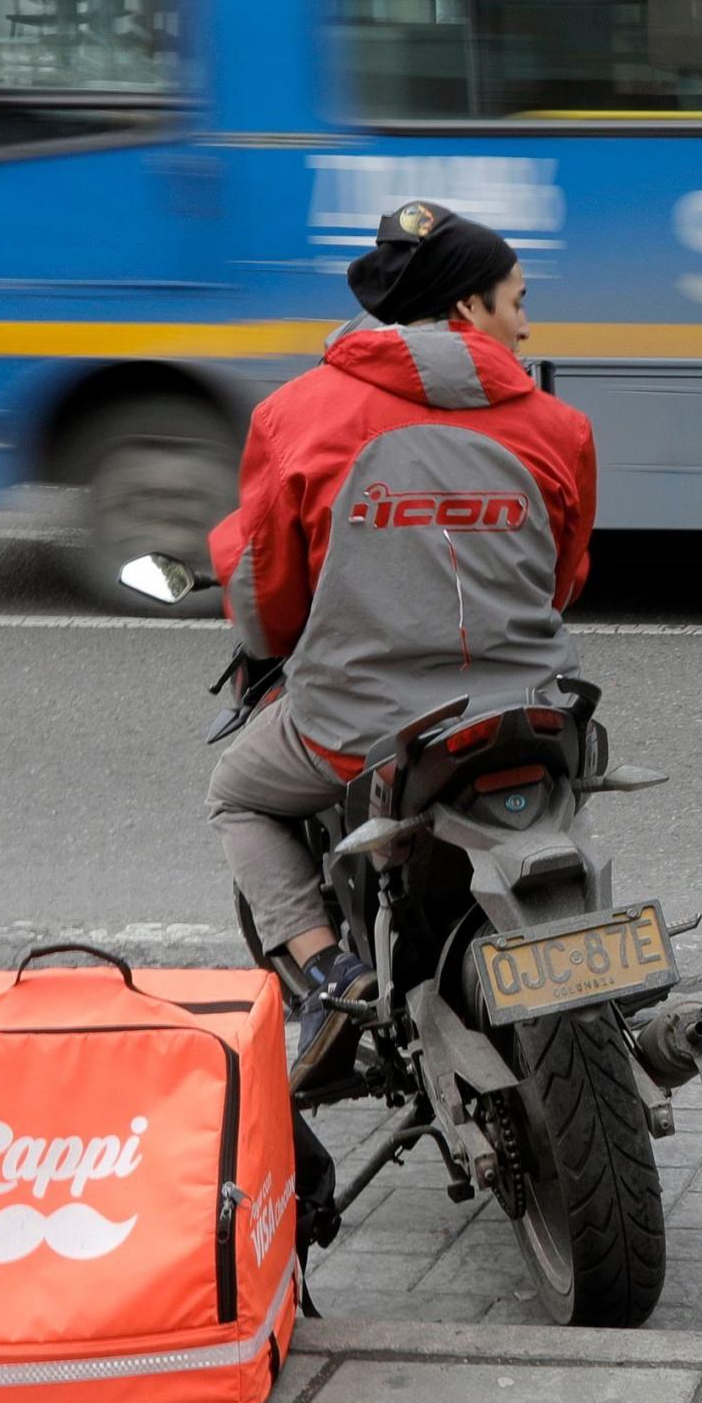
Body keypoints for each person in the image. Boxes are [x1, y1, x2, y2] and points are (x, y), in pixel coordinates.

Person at [205, 200, 596, 1091]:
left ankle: (331, 972)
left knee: (237, 794)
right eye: (517, 300)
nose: (528, 322)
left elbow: (268, 607)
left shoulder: (296, 414)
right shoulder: (557, 426)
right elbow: (564, 581)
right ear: (467, 310)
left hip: (366, 733)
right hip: (531, 716)